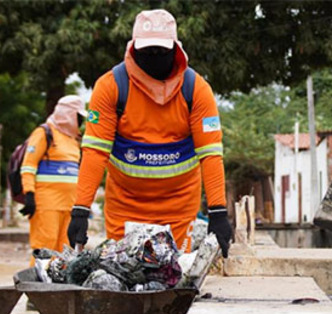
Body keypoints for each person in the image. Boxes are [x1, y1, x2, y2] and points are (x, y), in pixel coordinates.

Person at [67, 9, 232, 257]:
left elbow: (210, 154)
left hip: (179, 205)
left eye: (160, 50)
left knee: (174, 272)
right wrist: (80, 210)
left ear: (175, 48)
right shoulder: (110, 87)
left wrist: (218, 211)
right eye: (147, 50)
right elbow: (94, 152)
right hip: (125, 204)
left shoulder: (196, 90)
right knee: (122, 269)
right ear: (133, 48)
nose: (154, 56)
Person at [19, 95, 86, 260]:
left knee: (65, 251)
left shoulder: (73, 140)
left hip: (69, 205)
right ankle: (37, 277)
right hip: (47, 204)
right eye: (78, 116)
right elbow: (28, 165)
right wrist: (29, 194)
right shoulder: (44, 133)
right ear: (67, 115)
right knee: (45, 247)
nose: (80, 121)